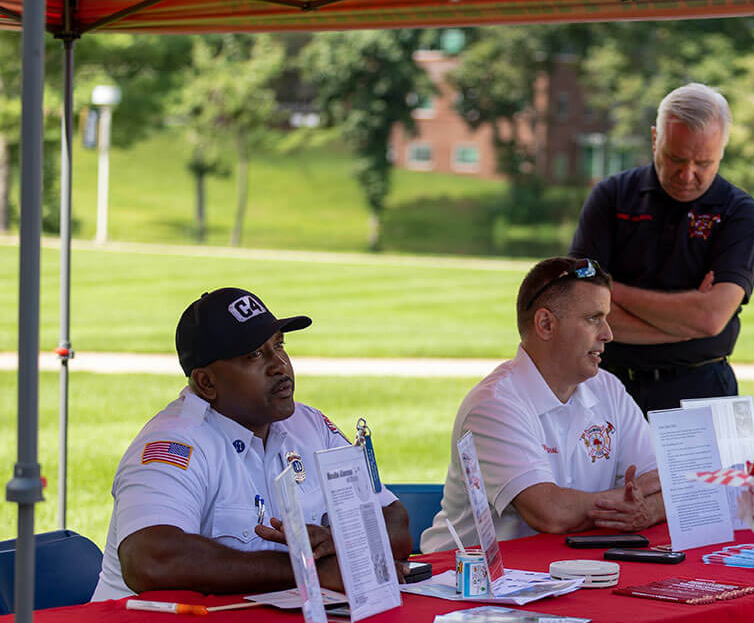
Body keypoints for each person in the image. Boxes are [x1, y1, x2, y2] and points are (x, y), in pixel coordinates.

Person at [92, 288, 412, 601]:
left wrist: (344, 544)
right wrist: (307, 570)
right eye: (254, 355)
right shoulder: (173, 442)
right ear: (206, 382)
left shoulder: (310, 425)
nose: (279, 365)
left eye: (279, 346)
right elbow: (151, 560)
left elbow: (395, 522)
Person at [420, 257, 665, 552]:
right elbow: (550, 513)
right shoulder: (493, 406)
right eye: (593, 319)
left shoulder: (607, 388)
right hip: (471, 585)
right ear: (546, 324)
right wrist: (627, 506)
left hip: (561, 572)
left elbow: (666, 484)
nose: (608, 334)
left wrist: (647, 511)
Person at [569, 83, 754, 415]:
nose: (687, 174)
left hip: (701, 389)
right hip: (606, 385)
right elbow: (578, 306)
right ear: (654, 139)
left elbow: (710, 318)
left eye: (703, 162)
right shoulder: (612, 196)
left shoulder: (740, 212)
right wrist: (685, 323)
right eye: (675, 158)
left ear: (723, 149)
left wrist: (610, 289)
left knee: (708, 472)